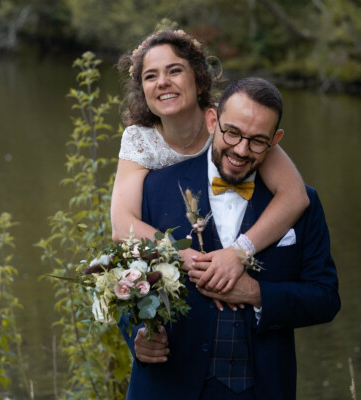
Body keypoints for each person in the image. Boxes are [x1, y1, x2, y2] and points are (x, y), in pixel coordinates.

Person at [119, 77, 341, 399]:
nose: (240, 150)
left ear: (274, 140)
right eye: (232, 132)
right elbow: (124, 281)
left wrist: (257, 293)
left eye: (257, 141)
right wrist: (137, 334)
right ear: (213, 121)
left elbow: (325, 299)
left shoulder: (301, 204)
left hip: (261, 388)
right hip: (167, 386)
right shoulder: (156, 189)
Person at [111, 29, 309, 295]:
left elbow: (295, 196)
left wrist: (240, 252)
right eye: (150, 76)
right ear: (142, 91)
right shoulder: (138, 139)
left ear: (200, 81)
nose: (162, 82)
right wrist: (186, 257)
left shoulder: (232, 122)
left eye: (174, 71)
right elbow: (123, 225)